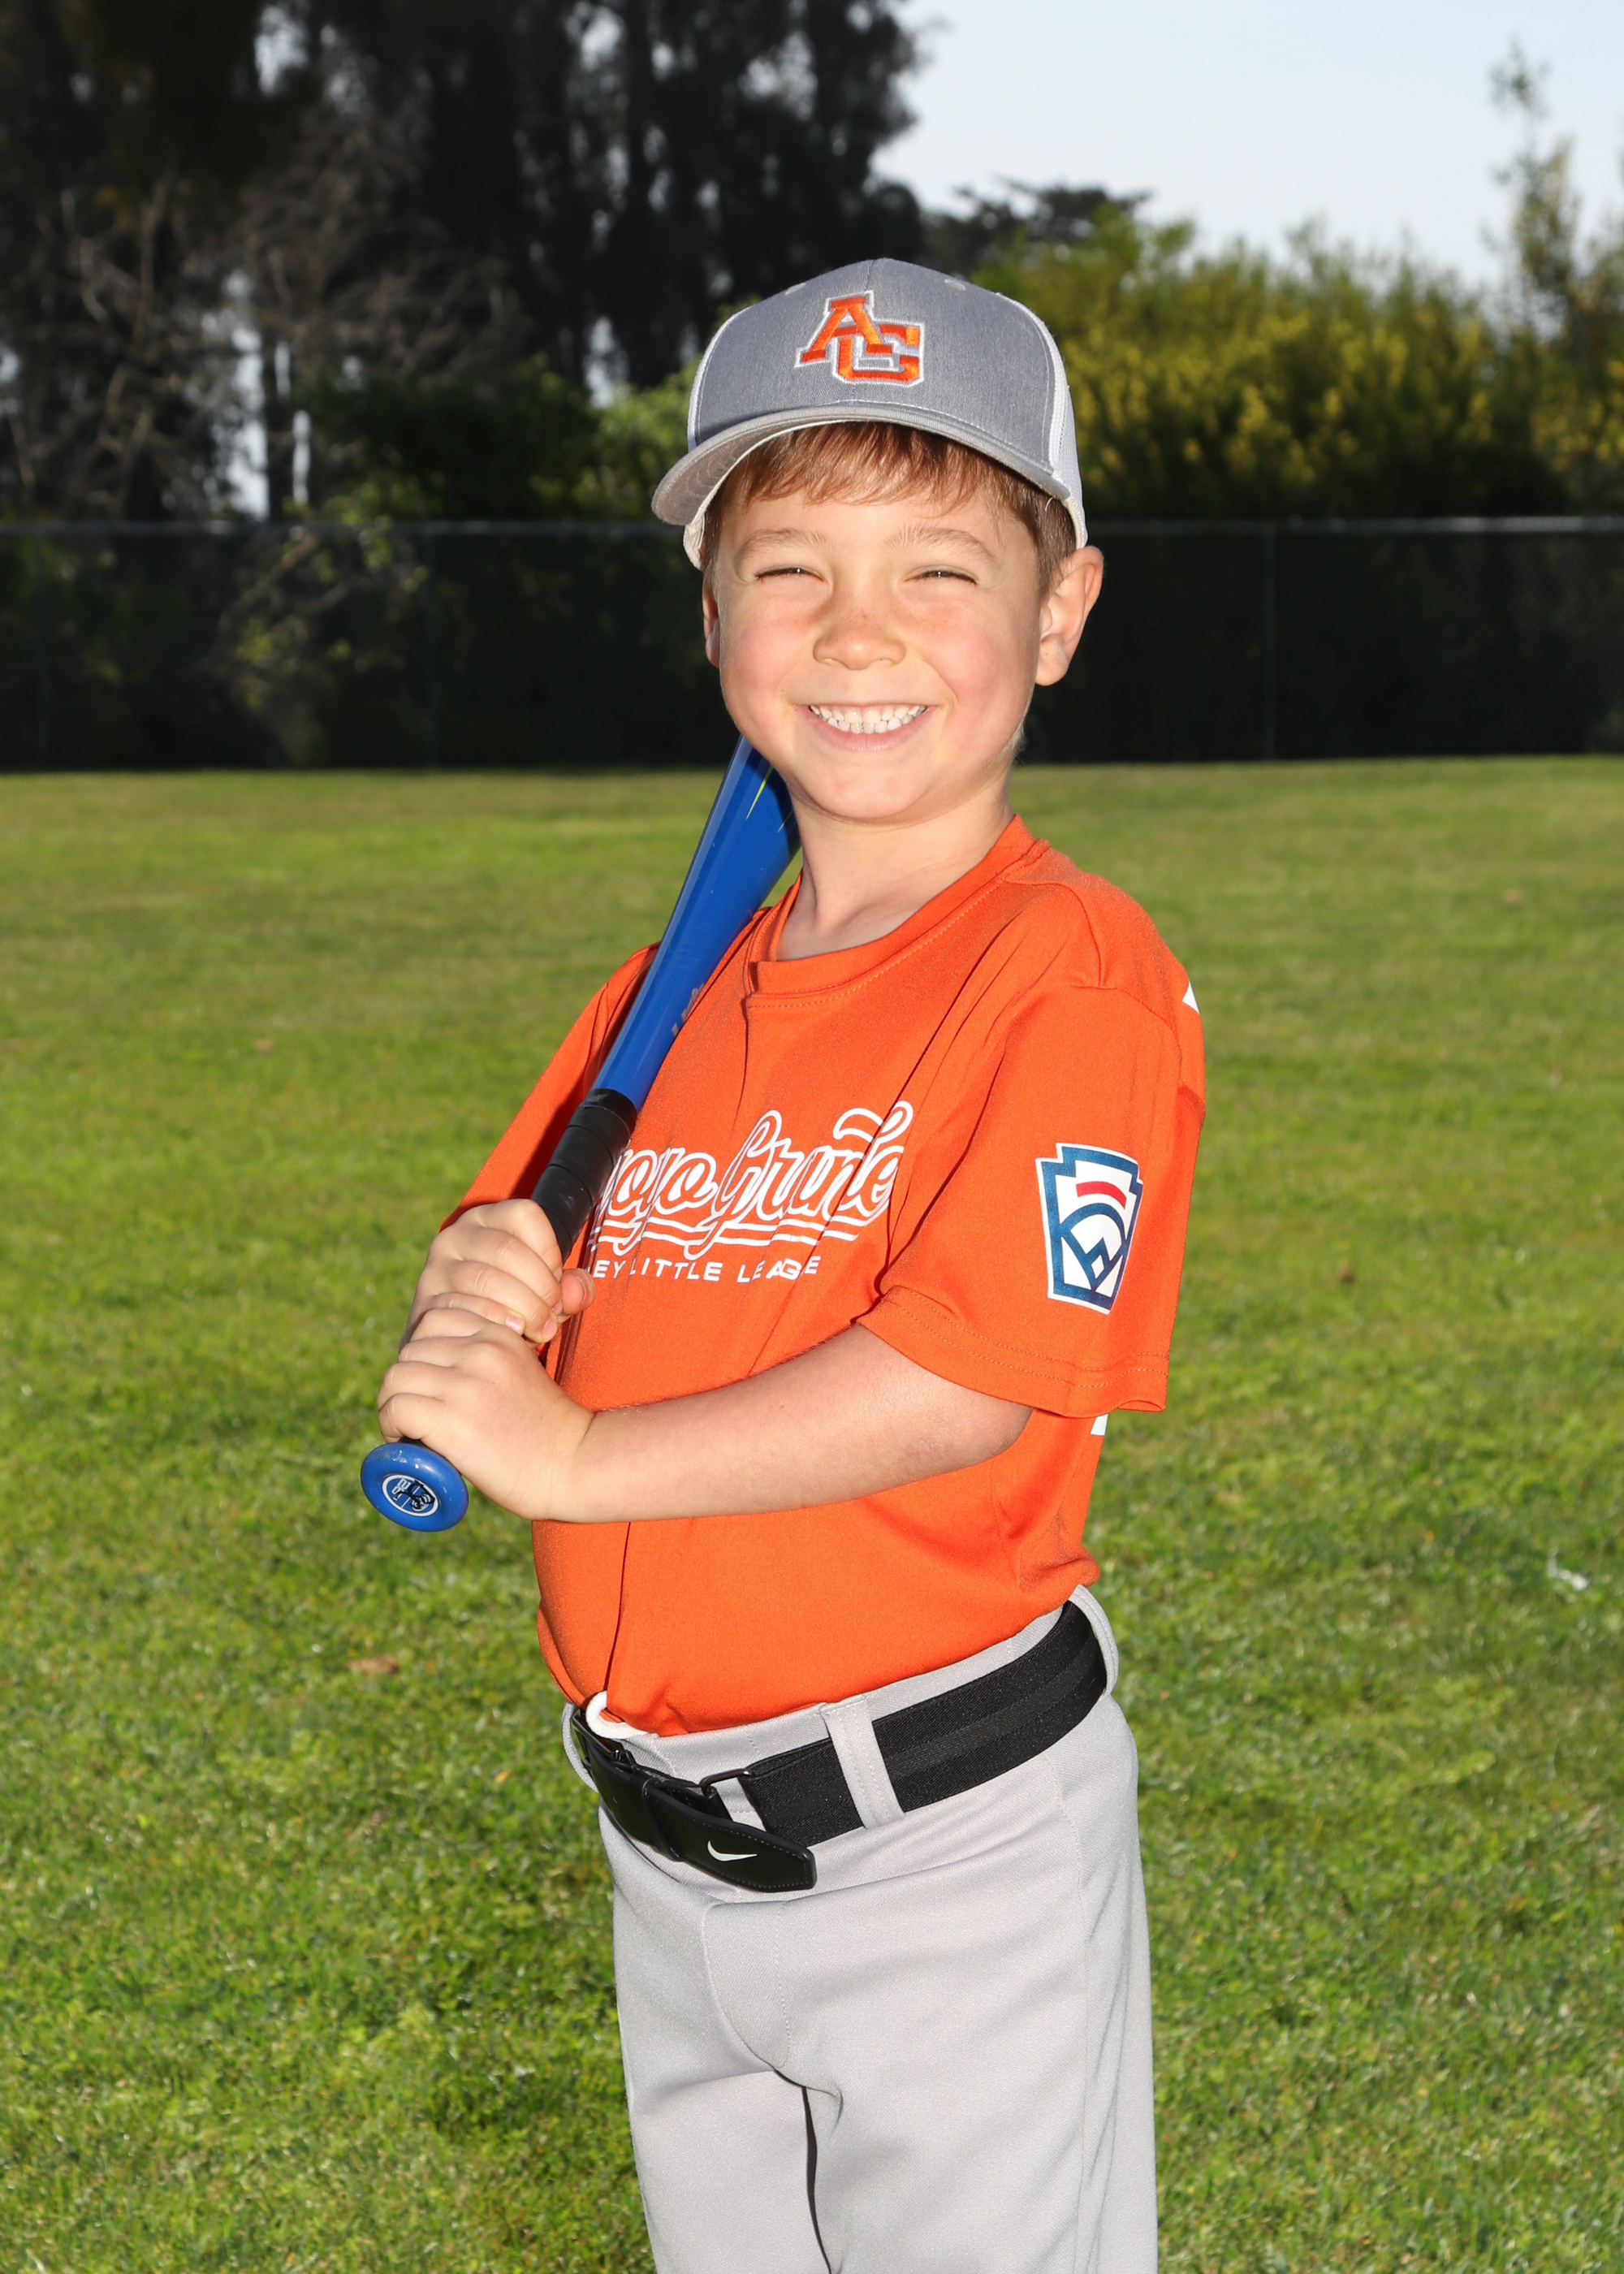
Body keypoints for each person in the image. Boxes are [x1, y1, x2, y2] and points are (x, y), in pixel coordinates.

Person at [376, 257, 1205, 2274]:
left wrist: (572, 1459)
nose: (857, 629)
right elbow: (525, 1252)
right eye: (789, 568)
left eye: (940, 570)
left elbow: (965, 1376)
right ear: (713, 613)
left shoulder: (1068, 973)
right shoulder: (664, 995)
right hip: (675, 1856)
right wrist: (474, 1288)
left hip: (949, 1859)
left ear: (1060, 613)